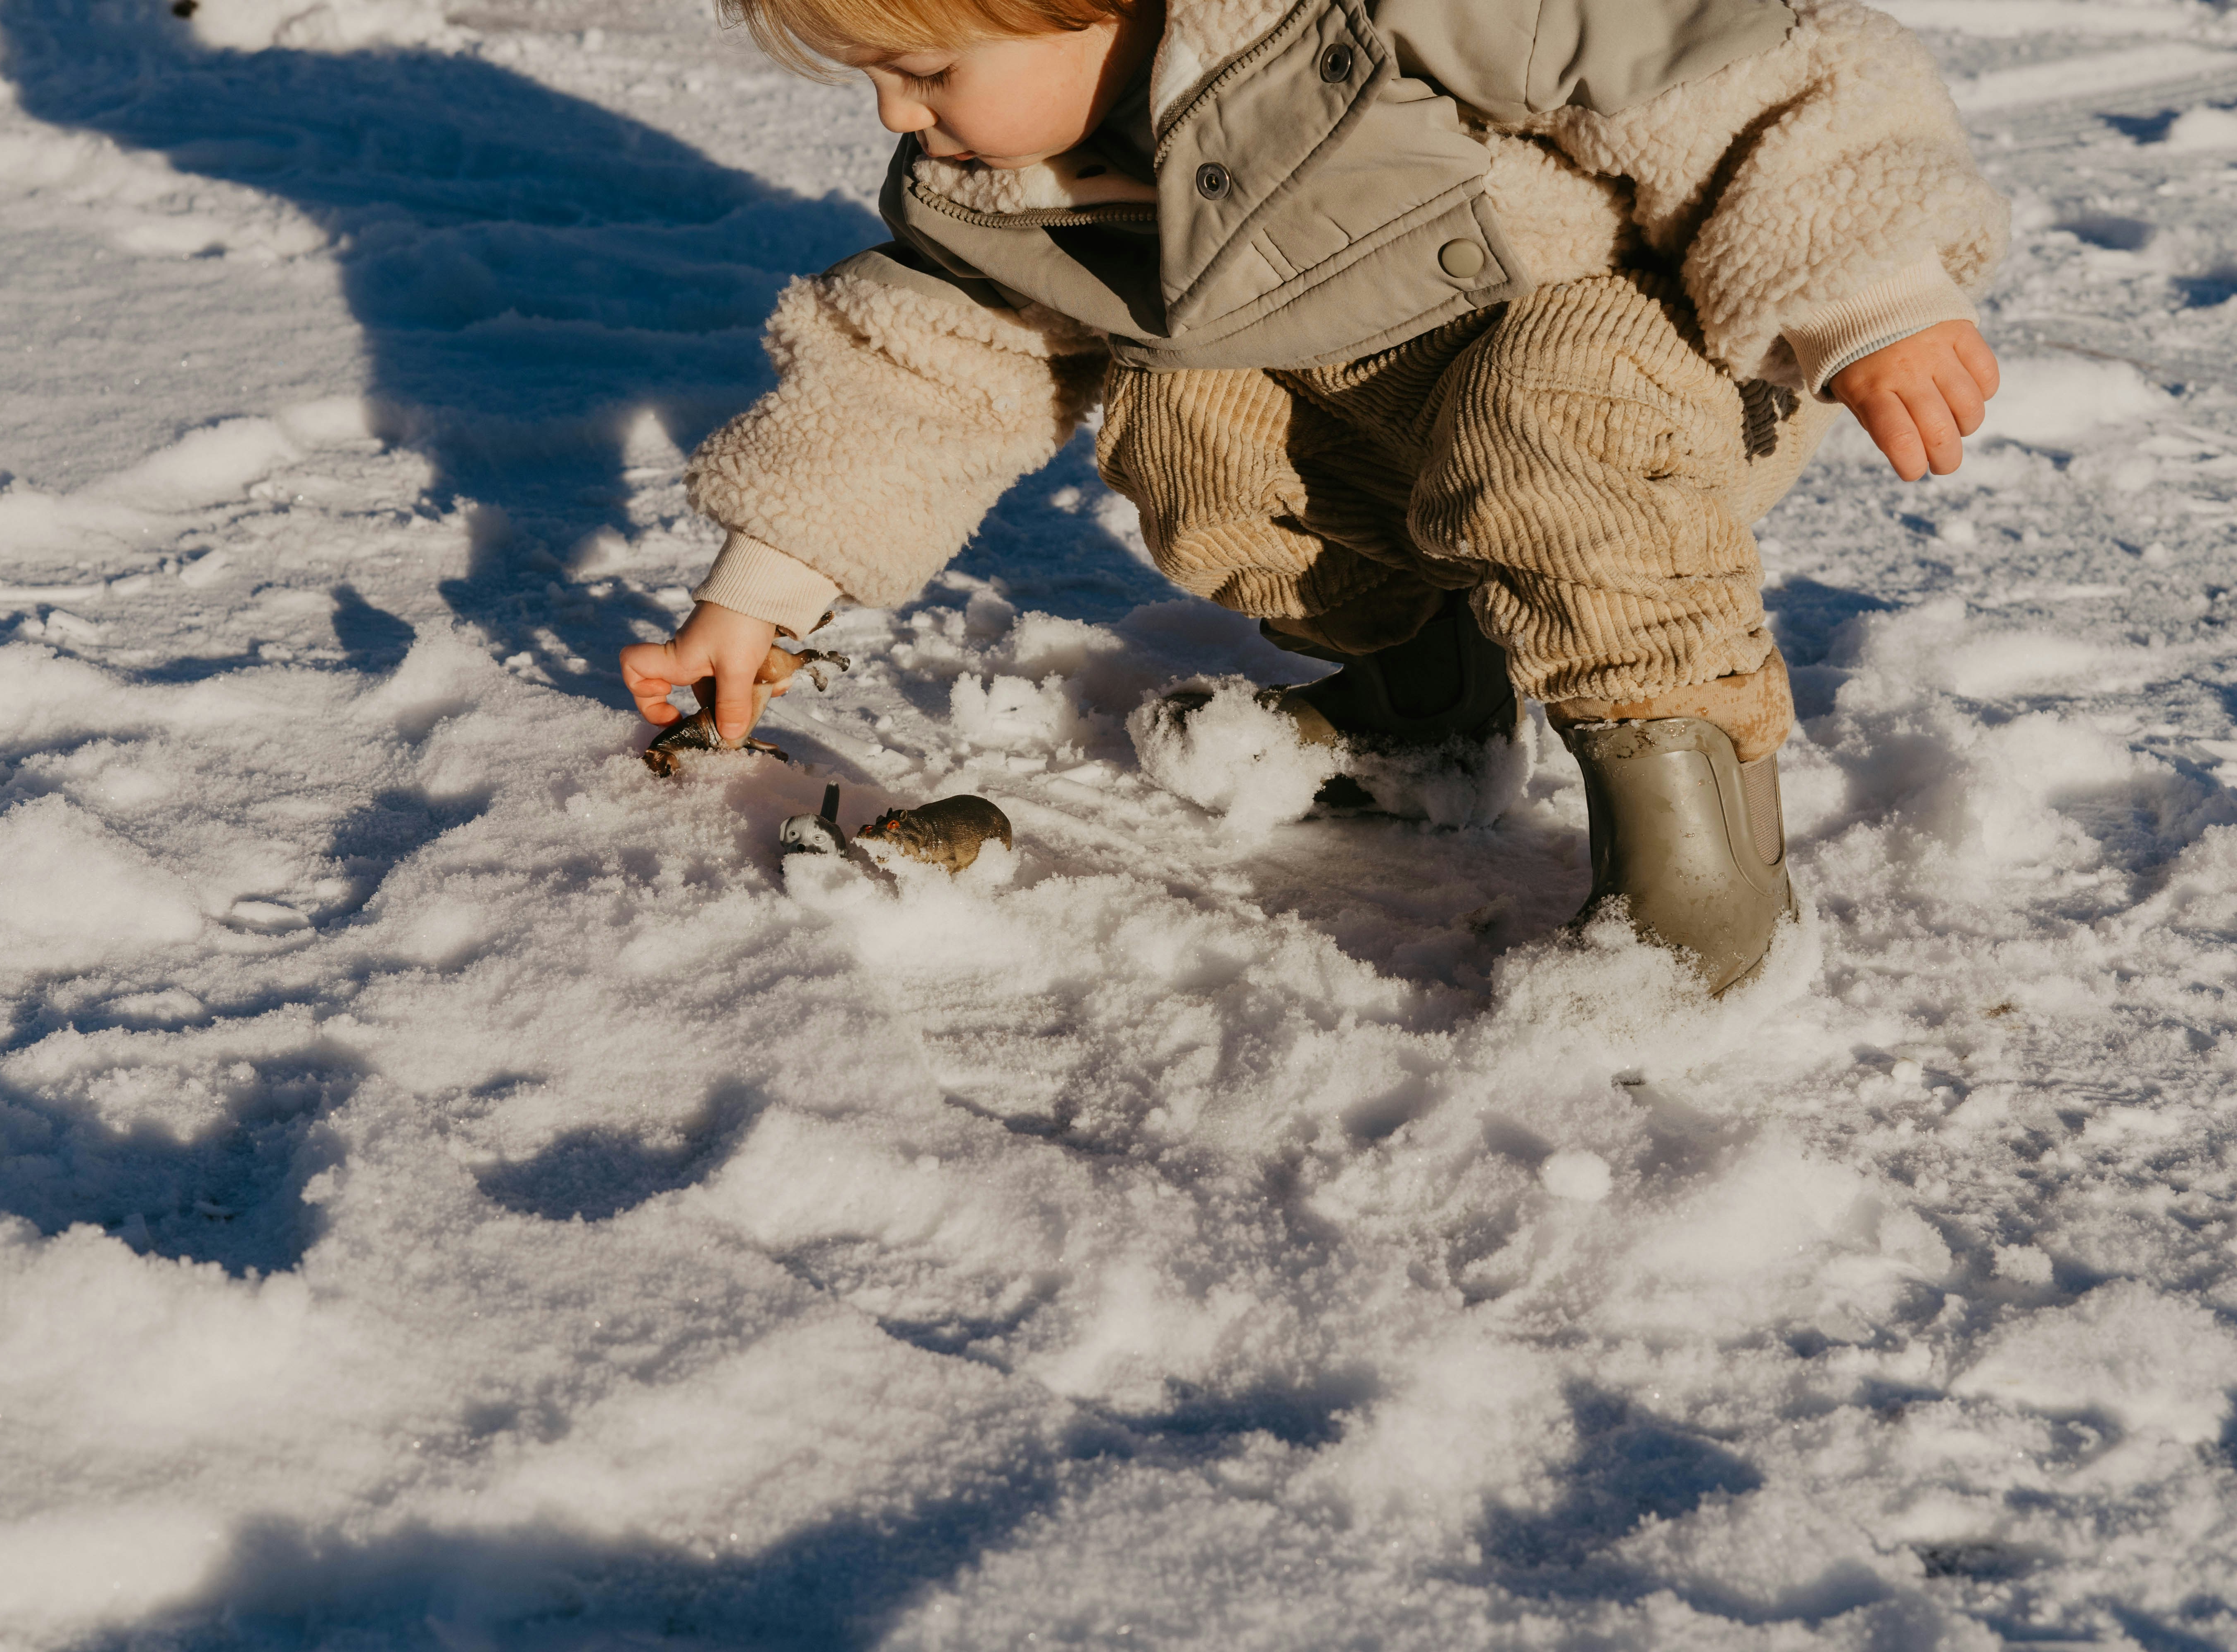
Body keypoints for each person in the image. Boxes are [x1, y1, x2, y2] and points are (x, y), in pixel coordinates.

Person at [618, 0, 2005, 990]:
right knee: (1186, 416)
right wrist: (765, 586)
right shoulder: (1017, 187)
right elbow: (917, 371)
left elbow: (1753, 62)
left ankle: (1705, 879)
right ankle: (1425, 714)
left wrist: (1870, 294)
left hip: (1652, 369)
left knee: (1543, 415)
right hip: (1410, 410)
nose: (895, 114)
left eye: (925, 68)